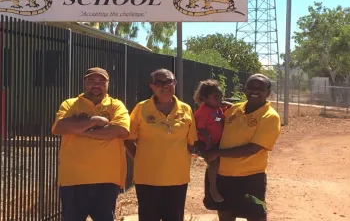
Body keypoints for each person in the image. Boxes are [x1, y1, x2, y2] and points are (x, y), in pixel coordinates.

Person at [51, 67, 130, 221]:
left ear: (107, 84)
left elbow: (121, 131)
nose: (96, 84)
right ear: (84, 82)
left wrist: (81, 130)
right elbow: (60, 127)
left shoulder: (116, 105)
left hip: (107, 179)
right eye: (92, 80)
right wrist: (94, 121)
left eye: (101, 81)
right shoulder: (70, 104)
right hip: (73, 179)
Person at [202, 74, 281, 221]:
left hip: (250, 178)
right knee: (225, 214)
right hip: (223, 175)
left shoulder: (270, 117)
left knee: (255, 215)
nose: (255, 91)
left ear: (268, 93)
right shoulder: (233, 110)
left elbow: (253, 148)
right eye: (251, 87)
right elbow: (214, 120)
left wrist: (217, 152)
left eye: (260, 88)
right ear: (245, 90)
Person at [124, 68, 198, 221]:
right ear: (152, 86)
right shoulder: (141, 108)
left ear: (175, 83)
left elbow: (191, 142)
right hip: (147, 177)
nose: (165, 85)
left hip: (177, 178)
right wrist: (140, 157)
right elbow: (127, 137)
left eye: (169, 81)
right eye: (160, 82)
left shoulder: (186, 109)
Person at [192, 79, 232, 203]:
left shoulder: (217, 109)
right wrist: (209, 142)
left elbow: (218, 120)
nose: (219, 99)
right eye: (216, 97)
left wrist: (227, 107)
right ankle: (213, 189)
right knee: (213, 163)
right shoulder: (203, 111)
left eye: (221, 96)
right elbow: (201, 128)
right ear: (204, 98)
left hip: (217, 142)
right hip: (207, 143)